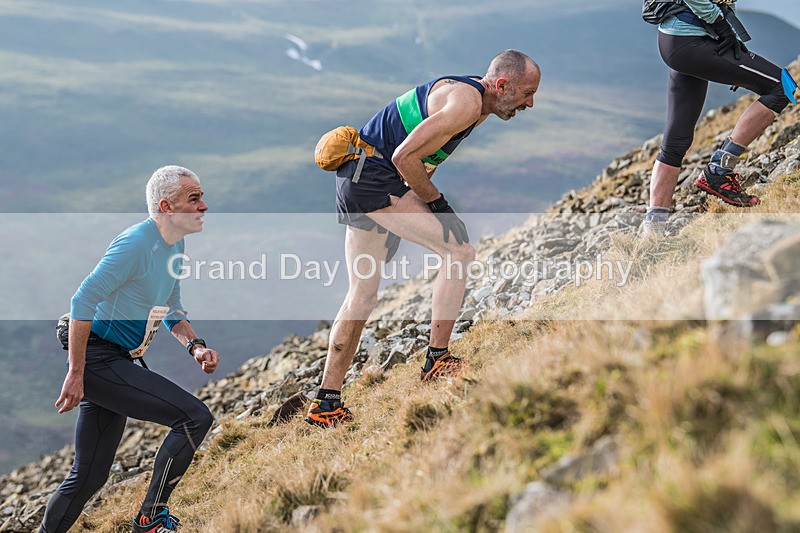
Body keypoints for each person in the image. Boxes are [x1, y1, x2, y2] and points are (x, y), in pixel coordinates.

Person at [306, 50, 541, 427]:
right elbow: (404, 157)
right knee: (459, 252)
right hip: (376, 179)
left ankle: (326, 403)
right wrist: (438, 205)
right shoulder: (466, 103)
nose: (530, 102)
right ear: (502, 85)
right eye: (527, 92)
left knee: (362, 295)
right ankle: (438, 360)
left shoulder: (473, 98)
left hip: (357, 179)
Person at [40, 166, 219, 533]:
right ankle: (149, 520)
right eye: (194, 199)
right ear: (167, 207)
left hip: (118, 357)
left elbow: (171, 306)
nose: (204, 206)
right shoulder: (136, 243)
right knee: (193, 418)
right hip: (96, 356)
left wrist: (195, 347)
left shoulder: (175, 243)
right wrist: (76, 372)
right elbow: (82, 300)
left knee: (89, 476)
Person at [640, 0, 794, 237]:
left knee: (676, 138)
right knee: (780, 87)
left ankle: (653, 230)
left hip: (676, 40)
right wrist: (721, 25)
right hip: (692, 40)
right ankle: (719, 170)